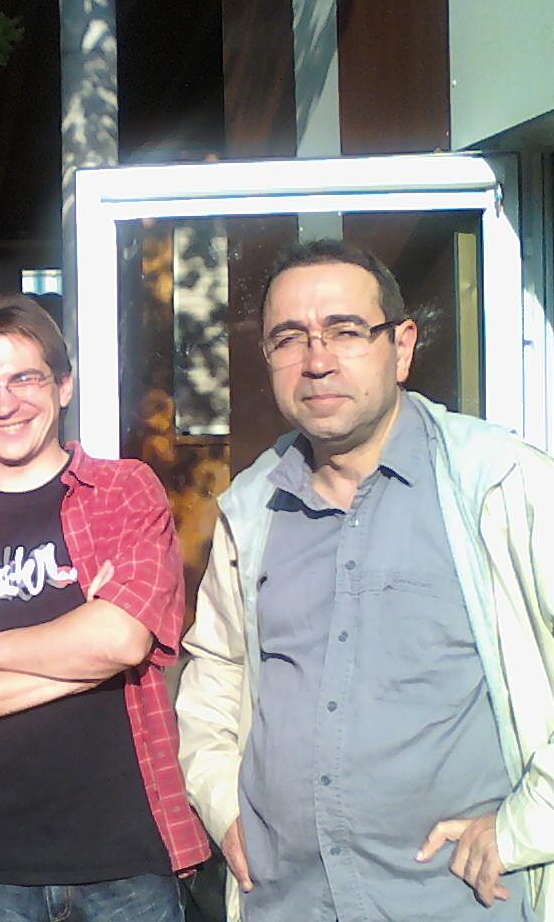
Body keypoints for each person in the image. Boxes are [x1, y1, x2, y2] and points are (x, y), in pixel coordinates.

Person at [176, 239, 554, 922]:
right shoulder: (253, 509)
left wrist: (526, 826)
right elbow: (215, 675)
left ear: (401, 347)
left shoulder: (503, 484)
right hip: (288, 902)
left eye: (346, 331)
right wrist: (224, 807)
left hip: (458, 902)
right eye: (289, 339)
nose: (317, 360)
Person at [0, 296, 210, 922]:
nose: (5, 404)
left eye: (24, 378)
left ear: (63, 385)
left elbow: (123, 641)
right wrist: (83, 654)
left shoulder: (124, 491)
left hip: (126, 854)